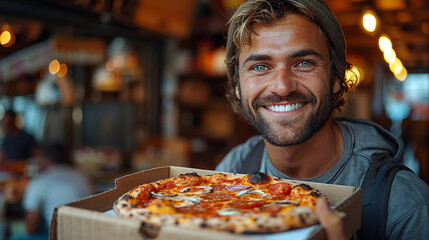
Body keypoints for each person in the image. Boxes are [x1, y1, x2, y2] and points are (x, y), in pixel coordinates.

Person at [215, 0, 429, 239]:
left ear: (336, 77)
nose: (283, 87)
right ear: (237, 88)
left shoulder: (404, 204)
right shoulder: (232, 171)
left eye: (304, 63)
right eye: (260, 67)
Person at [12, 143, 94, 240]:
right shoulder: (83, 176)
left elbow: (31, 228)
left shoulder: (40, 181)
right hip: (90, 234)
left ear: (45, 159)